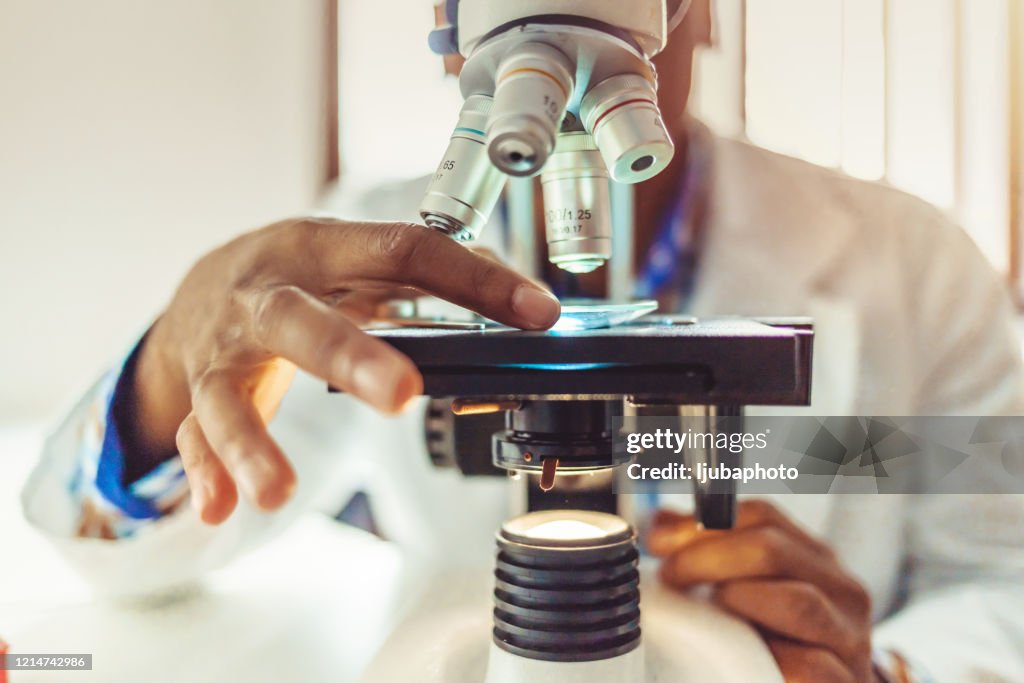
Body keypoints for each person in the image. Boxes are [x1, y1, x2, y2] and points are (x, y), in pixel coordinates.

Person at [21, 2, 1024, 681]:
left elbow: (1004, 575)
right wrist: (166, 374)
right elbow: (124, 561)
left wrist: (888, 670)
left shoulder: (914, 262)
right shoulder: (355, 262)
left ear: (699, 9)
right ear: (452, 31)